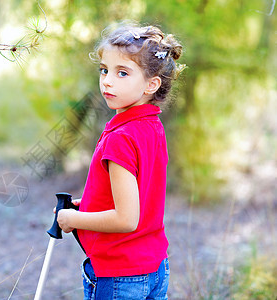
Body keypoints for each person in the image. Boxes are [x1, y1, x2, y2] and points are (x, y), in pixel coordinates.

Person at [57, 21, 185, 299]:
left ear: (152, 84)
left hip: (120, 274)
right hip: (155, 265)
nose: (107, 80)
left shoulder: (121, 137)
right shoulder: (152, 126)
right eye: (104, 70)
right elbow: (139, 194)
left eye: (122, 72)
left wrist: (73, 218)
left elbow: (127, 219)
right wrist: (89, 206)